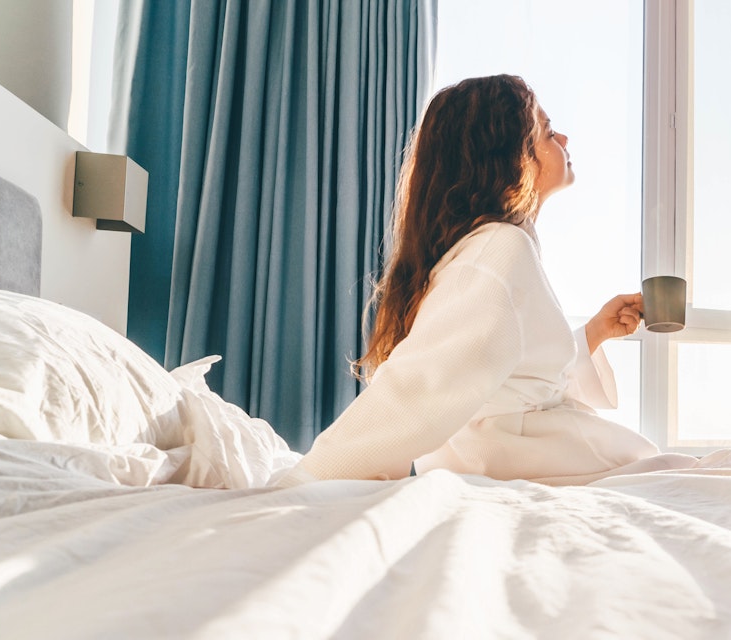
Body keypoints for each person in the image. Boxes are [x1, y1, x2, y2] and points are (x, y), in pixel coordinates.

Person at [277, 75, 695, 487]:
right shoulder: (498, 249)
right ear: (511, 158)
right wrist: (303, 482)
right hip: (526, 468)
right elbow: (422, 388)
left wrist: (593, 334)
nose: (564, 139)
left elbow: (511, 384)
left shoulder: (496, 248)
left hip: (529, 462)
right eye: (548, 132)